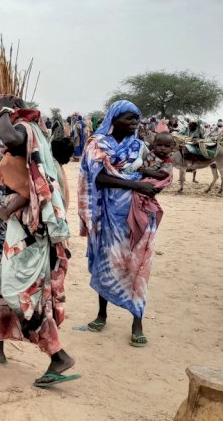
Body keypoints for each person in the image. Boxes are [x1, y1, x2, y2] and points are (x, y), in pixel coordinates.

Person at [0, 95, 79, 388]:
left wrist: (4, 113)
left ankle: (58, 355)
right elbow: (32, 184)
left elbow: (33, 190)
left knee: (20, 292)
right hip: (21, 227)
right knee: (5, 286)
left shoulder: (25, 132)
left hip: (31, 233)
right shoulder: (33, 141)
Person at [78, 100, 164, 348]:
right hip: (107, 215)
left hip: (138, 215)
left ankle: (137, 321)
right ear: (114, 119)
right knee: (108, 261)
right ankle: (101, 314)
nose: (135, 124)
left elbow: (153, 170)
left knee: (138, 265)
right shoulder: (98, 144)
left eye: (137, 119)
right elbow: (100, 178)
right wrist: (137, 184)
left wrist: (154, 184)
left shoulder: (139, 146)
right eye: (129, 119)